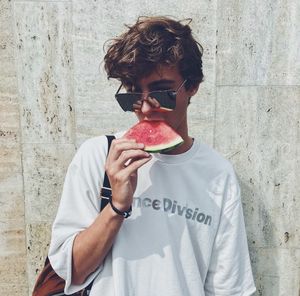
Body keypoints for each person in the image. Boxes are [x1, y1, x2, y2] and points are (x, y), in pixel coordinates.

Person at [48, 16, 256, 295]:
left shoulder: (218, 174)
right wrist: (117, 205)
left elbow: (228, 288)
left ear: (192, 85)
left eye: (162, 93)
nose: (145, 109)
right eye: (134, 95)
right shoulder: (97, 155)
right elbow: (70, 270)